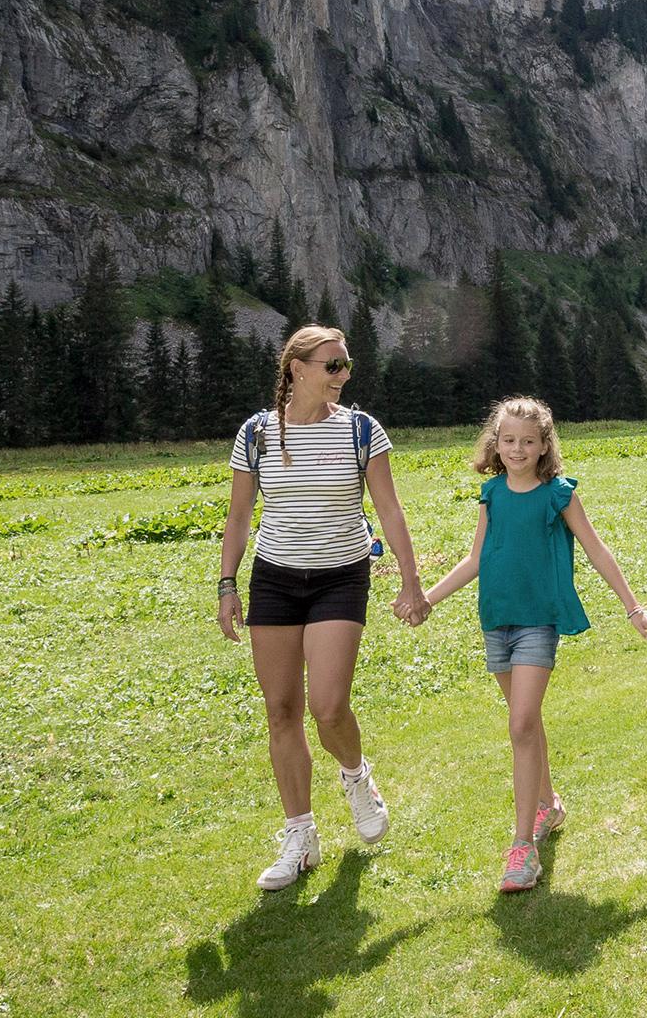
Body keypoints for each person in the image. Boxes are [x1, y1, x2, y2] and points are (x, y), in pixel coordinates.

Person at [414, 396, 647, 893]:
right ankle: (550, 806)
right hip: (497, 620)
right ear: (496, 443)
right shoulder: (491, 494)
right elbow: (475, 560)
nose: (517, 449)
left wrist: (634, 607)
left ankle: (522, 848)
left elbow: (596, 548)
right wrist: (427, 599)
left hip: (538, 623)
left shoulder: (559, 495)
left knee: (522, 723)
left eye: (528, 441)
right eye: (508, 440)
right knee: (525, 726)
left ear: (545, 444)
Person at [216, 324, 428, 891]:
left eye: (347, 365)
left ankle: (357, 777)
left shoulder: (362, 430)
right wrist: (226, 584)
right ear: (298, 369)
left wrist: (411, 583)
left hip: (341, 576)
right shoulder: (257, 433)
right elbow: (239, 516)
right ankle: (300, 836)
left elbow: (389, 508)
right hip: (275, 580)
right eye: (333, 366)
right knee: (281, 711)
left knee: (328, 706)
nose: (343, 375)